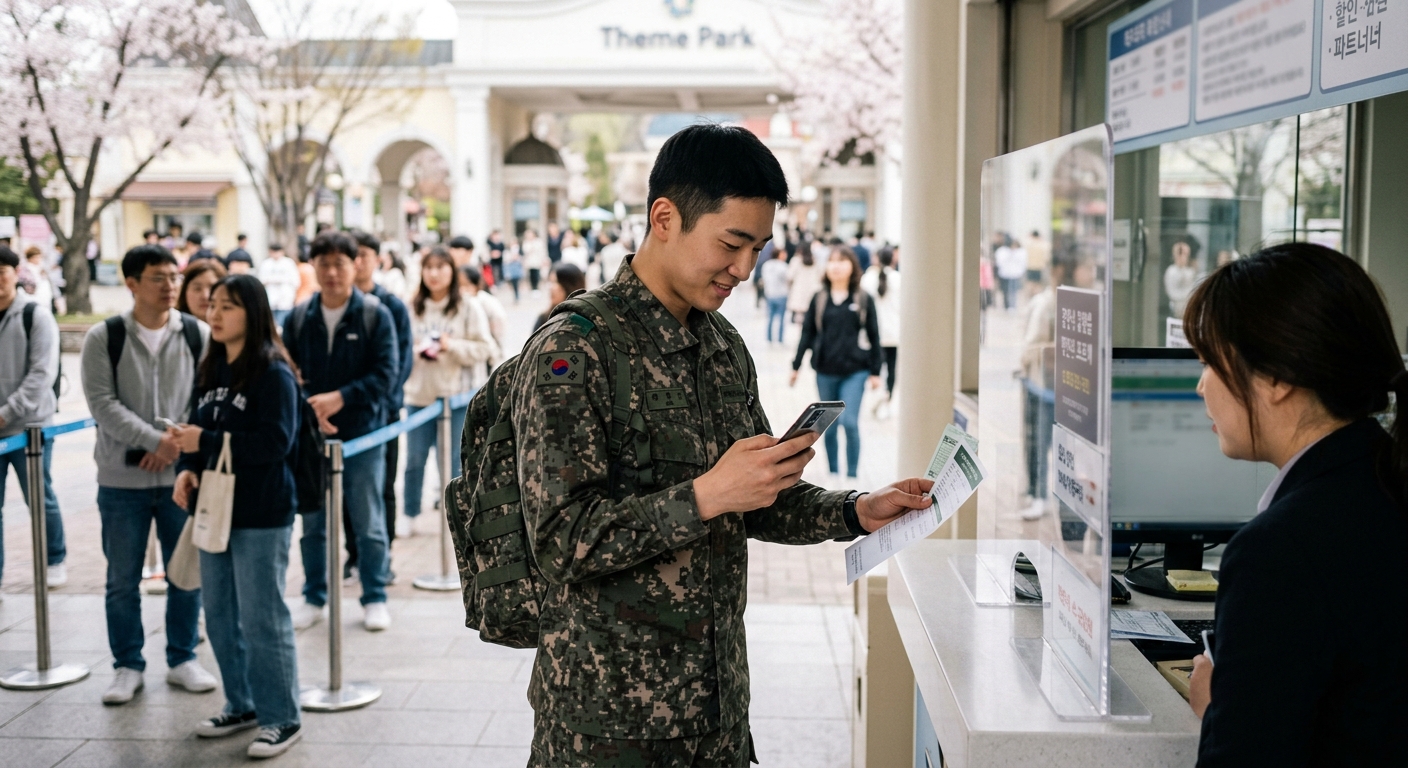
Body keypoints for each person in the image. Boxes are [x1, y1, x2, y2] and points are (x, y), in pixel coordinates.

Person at [512, 123, 933, 765]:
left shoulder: (722, 345)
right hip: (606, 728)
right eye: (732, 244)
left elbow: (754, 499)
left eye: (758, 248)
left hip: (719, 710)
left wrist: (855, 511)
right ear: (664, 218)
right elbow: (559, 541)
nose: (744, 269)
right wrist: (706, 495)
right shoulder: (574, 350)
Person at [1183, 243, 1408, 767]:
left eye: (1210, 363)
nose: (1200, 386)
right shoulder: (1386, 479)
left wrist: (1219, 707)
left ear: (1277, 379)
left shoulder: (1280, 552)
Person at [170, 275, 303, 759]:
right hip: (214, 507)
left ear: (254, 311)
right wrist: (187, 468)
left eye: (228, 305)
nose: (215, 313)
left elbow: (276, 443)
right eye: (213, 304)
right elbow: (196, 427)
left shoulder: (273, 371)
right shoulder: (210, 367)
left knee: (261, 617)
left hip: (261, 511)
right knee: (221, 613)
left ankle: (282, 717)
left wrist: (203, 443)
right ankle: (242, 703)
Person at [80, 244, 216, 705]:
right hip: (122, 480)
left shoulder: (196, 333)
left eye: (174, 277)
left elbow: (206, 396)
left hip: (182, 477)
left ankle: (182, 658)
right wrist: (154, 441)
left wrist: (174, 443)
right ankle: (127, 665)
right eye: (159, 278)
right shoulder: (105, 337)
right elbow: (102, 404)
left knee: (185, 573)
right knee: (122, 579)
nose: (170, 286)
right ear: (132, 283)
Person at [282, 232, 398, 633]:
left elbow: (386, 374)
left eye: (340, 263)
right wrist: (311, 409)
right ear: (312, 266)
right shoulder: (299, 317)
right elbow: (285, 373)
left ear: (356, 265)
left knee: (368, 520)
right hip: (313, 437)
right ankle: (314, 596)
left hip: (363, 435)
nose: (331, 272)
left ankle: (375, 595)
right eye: (324, 263)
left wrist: (341, 398)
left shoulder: (375, 315)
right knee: (313, 522)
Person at [399, 247, 498, 535]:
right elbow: (401, 349)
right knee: (414, 460)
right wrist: (419, 351)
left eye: (440, 267)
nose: (434, 274)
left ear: (452, 272)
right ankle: (410, 513)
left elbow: (486, 348)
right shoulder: (412, 306)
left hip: (456, 397)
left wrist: (450, 346)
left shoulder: (467, 307)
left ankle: (457, 516)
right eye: (428, 267)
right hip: (419, 396)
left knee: (455, 462)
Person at [0, 246, 67, 593]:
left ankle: (54, 559)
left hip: (31, 426)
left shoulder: (35, 315)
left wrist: (5, 414)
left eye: (1, 272)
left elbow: (42, 373)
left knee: (39, 497)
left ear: (16, 273)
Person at [348, 230, 413, 585]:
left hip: (384, 414)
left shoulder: (391, 305)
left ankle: (382, 557)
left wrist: (385, 400)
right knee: (345, 488)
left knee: (383, 486)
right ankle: (353, 554)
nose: (358, 262)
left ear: (377, 259)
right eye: (353, 255)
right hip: (345, 416)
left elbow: (401, 361)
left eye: (364, 255)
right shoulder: (335, 305)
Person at [790, 246, 882, 479]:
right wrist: (796, 366)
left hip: (855, 371)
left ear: (852, 266)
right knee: (828, 427)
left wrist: (875, 372)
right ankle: (833, 474)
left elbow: (874, 336)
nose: (836, 266)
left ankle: (852, 476)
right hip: (825, 370)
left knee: (849, 423)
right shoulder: (819, 298)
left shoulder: (863, 298)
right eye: (832, 261)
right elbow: (807, 334)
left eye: (842, 261)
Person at [860, 246, 901, 417]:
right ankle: (887, 399)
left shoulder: (867, 278)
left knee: (874, 368)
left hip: (873, 333)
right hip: (893, 332)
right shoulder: (898, 278)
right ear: (893, 259)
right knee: (891, 368)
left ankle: (875, 399)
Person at [532, 262, 586, 332]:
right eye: (550, 281)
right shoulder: (544, 319)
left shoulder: (585, 321)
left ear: (569, 286)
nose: (550, 287)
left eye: (555, 282)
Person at [257, 243, 299, 326]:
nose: (276, 254)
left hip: (285, 299)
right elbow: (261, 280)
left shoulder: (289, 263)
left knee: (284, 323)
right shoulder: (266, 264)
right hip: (270, 299)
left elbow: (296, 281)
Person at [785, 241, 824, 325]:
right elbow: (821, 275)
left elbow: (789, 276)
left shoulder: (796, 260)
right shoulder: (815, 260)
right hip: (813, 291)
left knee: (799, 320)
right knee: (812, 318)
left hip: (799, 292)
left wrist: (789, 288)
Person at [760, 245, 790, 344]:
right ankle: (780, 339)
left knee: (770, 318)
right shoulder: (783, 266)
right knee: (781, 318)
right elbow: (788, 279)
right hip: (781, 294)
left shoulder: (766, 265)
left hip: (769, 294)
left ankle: (769, 338)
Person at [1165, 235, 1200, 318]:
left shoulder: (1190, 272)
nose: (1183, 257)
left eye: (1185, 254)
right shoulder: (1171, 271)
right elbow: (1173, 293)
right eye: (1180, 253)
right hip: (1177, 310)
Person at [994, 233, 1027, 311]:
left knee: (1014, 291)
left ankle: (1012, 306)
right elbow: (999, 262)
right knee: (1005, 290)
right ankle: (1007, 305)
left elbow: (1022, 262)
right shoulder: (1002, 251)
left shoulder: (1019, 252)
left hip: (1015, 274)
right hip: (1005, 274)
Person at [521, 229, 548, 294]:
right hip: (529, 262)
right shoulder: (526, 242)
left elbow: (542, 251)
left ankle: (536, 288)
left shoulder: (538, 242)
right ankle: (533, 288)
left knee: (537, 275)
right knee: (531, 276)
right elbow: (525, 251)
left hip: (537, 262)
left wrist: (544, 259)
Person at [501, 237, 524, 302]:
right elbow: (505, 260)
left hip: (517, 269)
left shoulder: (519, 250)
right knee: (513, 283)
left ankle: (517, 295)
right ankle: (515, 295)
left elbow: (522, 259)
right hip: (511, 269)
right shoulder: (507, 251)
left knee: (517, 283)